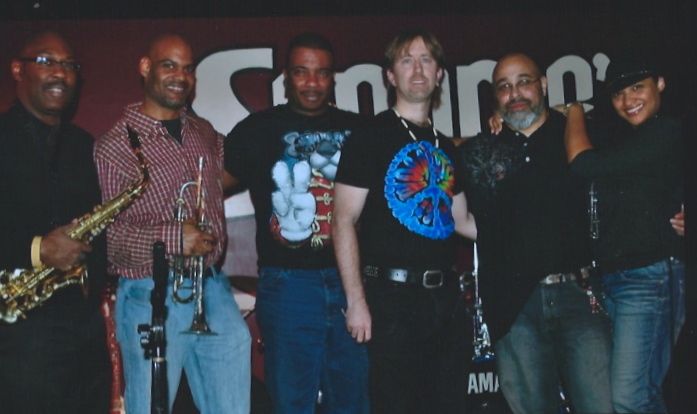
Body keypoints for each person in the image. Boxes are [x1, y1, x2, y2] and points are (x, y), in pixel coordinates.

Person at [94, 33, 250, 414]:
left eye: (188, 68)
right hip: (150, 291)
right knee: (150, 407)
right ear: (145, 67)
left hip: (210, 287)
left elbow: (235, 170)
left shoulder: (203, 132)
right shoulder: (114, 146)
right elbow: (107, 242)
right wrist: (174, 237)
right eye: (169, 65)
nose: (181, 76)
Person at [223, 32, 369, 413]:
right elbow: (209, 186)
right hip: (288, 285)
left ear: (333, 77)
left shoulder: (361, 130)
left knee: (354, 402)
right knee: (291, 403)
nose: (312, 82)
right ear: (286, 76)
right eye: (302, 72)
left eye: (321, 73)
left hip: (352, 284)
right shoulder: (257, 130)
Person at [332, 29, 477, 414]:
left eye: (427, 60)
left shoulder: (445, 147)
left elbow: (462, 220)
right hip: (391, 300)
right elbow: (343, 219)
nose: (418, 69)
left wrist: (523, 224)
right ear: (390, 75)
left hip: (444, 301)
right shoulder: (369, 136)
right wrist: (356, 301)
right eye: (406, 60)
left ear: (440, 74)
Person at [460, 53, 613, 414]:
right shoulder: (482, 150)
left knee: (602, 405)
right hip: (515, 308)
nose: (514, 93)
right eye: (504, 86)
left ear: (543, 84)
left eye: (524, 82)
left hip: (580, 298)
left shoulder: (576, 135)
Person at [563, 55, 685, 413]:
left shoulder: (667, 130)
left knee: (629, 398)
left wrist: (573, 111)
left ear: (659, 84)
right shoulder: (629, 137)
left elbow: (583, 165)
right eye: (618, 93)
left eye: (637, 88)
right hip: (619, 280)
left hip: (649, 279)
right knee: (644, 394)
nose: (628, 100)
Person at [0, 31, 111, 414]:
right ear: (18, 69)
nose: (60, 74)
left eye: (68, 65)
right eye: (47, 61)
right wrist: (38, 249)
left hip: (82, 331)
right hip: (18, 330)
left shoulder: (84, 145)